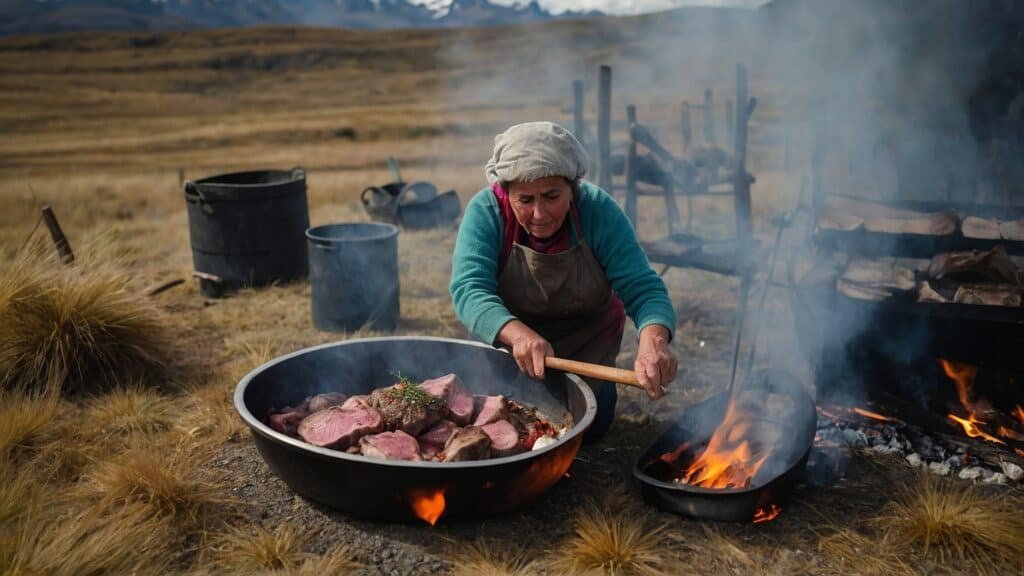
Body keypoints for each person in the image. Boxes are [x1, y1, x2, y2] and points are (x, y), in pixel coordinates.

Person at [449, 121, 678, 441]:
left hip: (586, 352)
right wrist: (519, 336)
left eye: (552, 195)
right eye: (525, 200)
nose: (539, 213)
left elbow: (643, 289)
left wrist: (654, 341)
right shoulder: (486, 212)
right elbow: (469, 289)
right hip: (510, 348)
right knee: (494, 428)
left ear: (573, 187)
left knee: (588, 430)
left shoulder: (598, 212)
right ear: (505, 191)